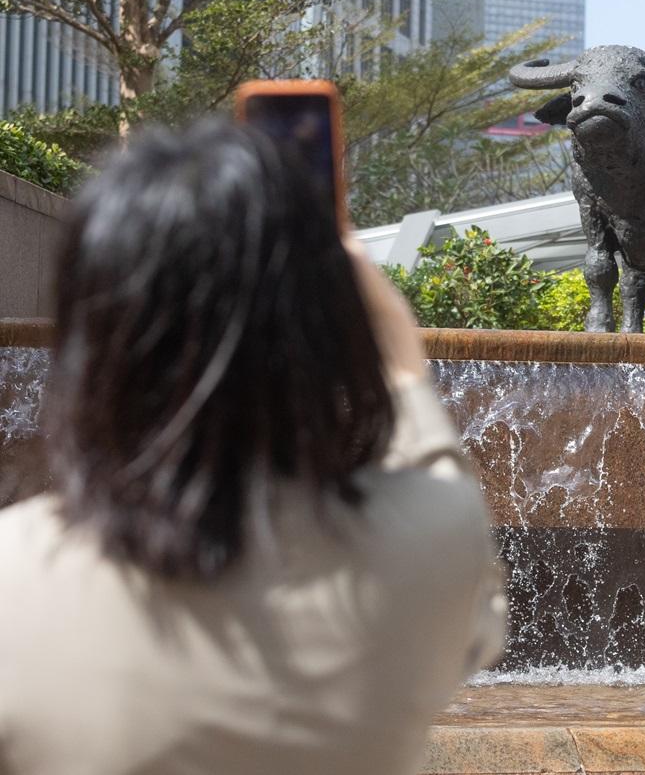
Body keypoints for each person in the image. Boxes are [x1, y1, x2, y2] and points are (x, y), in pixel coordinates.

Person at [0, 120, 506, 774]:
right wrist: (400, 355)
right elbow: (445, 499)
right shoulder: (432, 542)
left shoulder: (12, 570)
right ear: (324, 330)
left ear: (91, 342)